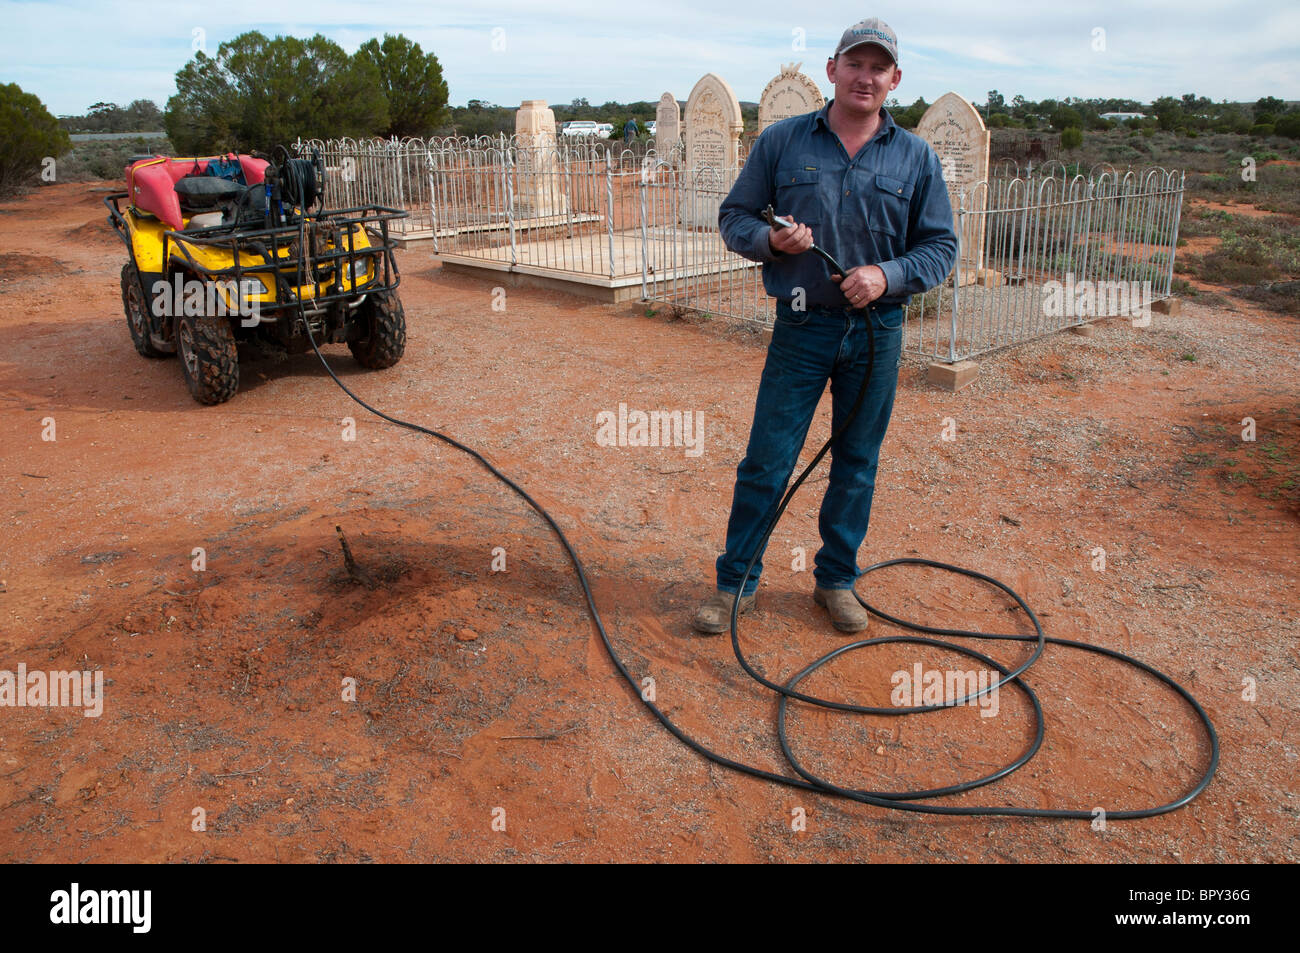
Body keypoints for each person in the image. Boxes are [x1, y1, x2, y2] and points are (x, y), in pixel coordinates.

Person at [693, 17, 957, 635]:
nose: (865, 77)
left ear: (895, 79)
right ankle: (736, 582)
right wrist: (772, 242)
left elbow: (940, 248)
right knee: (766, 460)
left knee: (857, 462)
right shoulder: (784, 141)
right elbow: (734, 217)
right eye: (854, 64)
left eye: (878, 67)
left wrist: (885, 277)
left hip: (876, 332)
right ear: (833, 70)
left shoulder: (916, 157)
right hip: (802, 330)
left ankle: (836, 580)